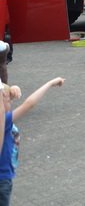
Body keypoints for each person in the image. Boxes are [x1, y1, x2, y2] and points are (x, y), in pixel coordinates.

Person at [0, 76, 65, 205]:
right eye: (8, 99)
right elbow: (29, 104)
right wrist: (49, 83)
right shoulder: (5, 120)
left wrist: (12, 89)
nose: (11, 102)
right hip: (2, 179)